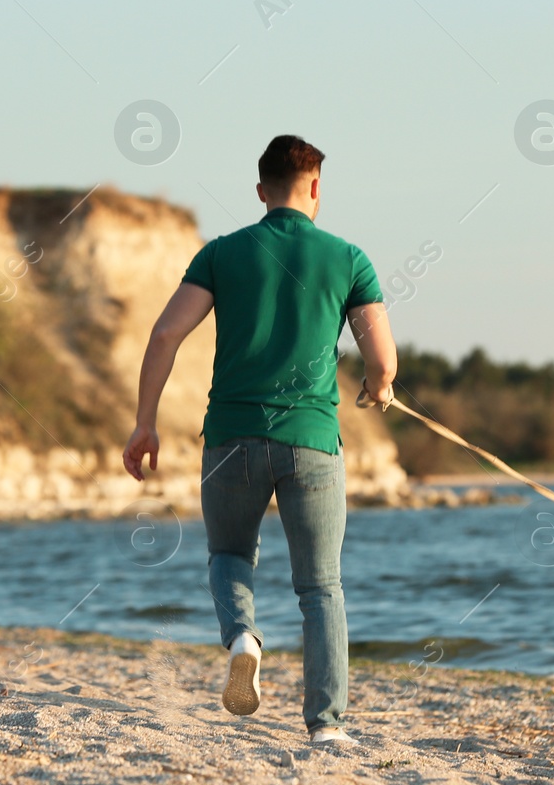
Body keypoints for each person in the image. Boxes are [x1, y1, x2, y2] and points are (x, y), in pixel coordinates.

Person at [122, 135, 397, 744]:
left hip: (231, 440)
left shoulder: (221, 254)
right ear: (316, 188)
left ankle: (243, 638)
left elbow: (165, 335)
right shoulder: (348, 259)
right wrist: (378, 391)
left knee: (227, 555)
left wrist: (145, 421)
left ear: (260, 191)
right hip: (311, 444)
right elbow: (382, 361)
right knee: (321, 585)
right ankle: (326, 725)